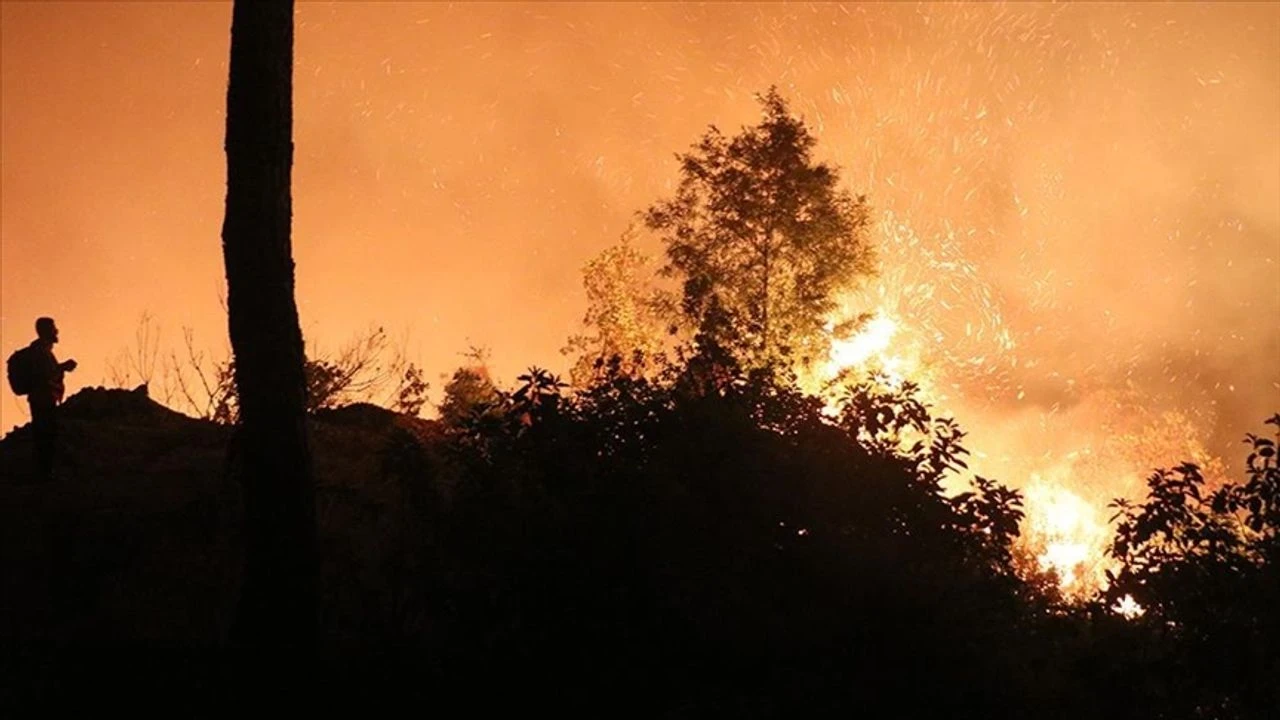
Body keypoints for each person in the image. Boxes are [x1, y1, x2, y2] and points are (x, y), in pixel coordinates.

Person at [26, 317, 76, 482]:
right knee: (45, 437)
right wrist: (62, 367)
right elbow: (44, 375)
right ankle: (44, 476)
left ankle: (44, 473)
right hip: (42, 401)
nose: (56, 331)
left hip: (44, 400)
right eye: (53, 328)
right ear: (46, 331)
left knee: (45, 437)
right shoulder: (40, 351)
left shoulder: (42, 350)